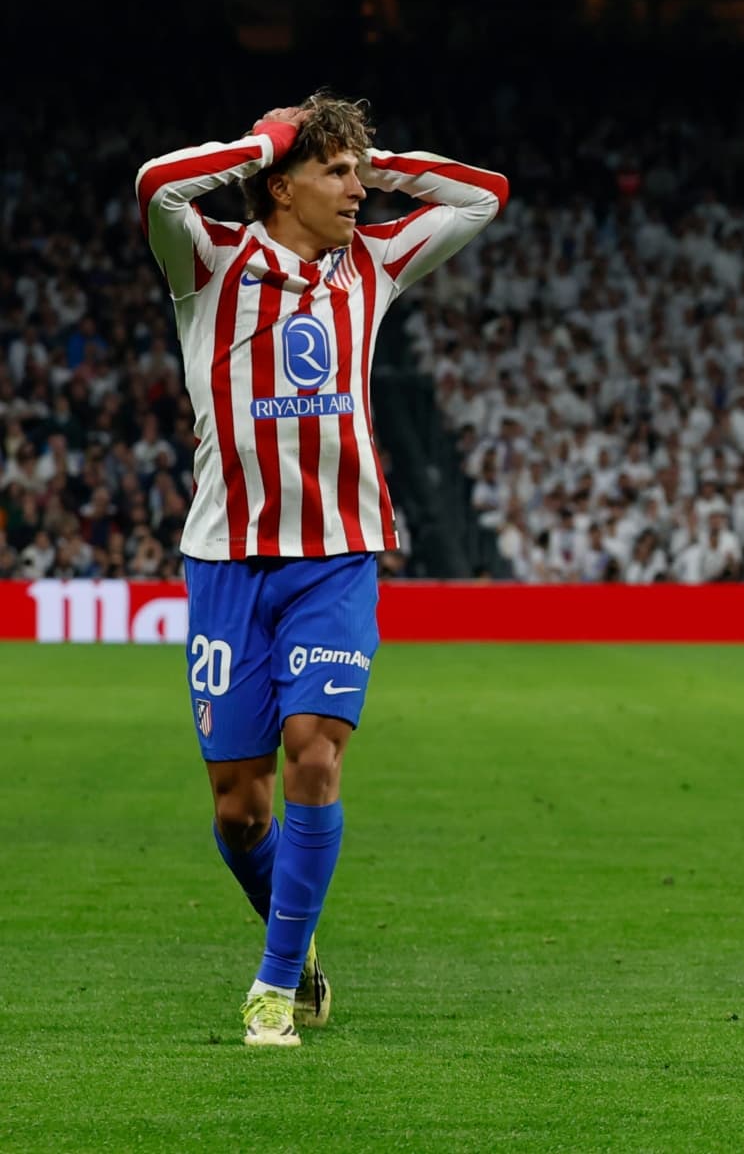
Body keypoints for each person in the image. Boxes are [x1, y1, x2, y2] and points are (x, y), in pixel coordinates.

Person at [136, 93, 507, 1046]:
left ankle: (271, 988)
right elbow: (157, 186)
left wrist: (372, 160)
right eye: (335, 172)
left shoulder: (371, 263)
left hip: (336, 556)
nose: (357, 189)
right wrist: (266, 141)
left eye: (359, 172)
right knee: (238, 808)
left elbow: (484, 197)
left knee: (314, 749)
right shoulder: (210, 263)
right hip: (227, 562)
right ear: (280, 185)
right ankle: (296, 949)